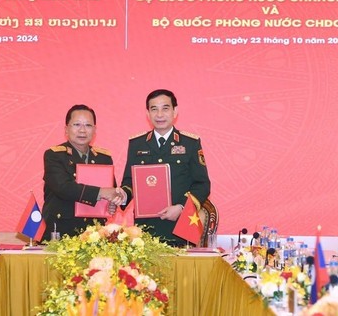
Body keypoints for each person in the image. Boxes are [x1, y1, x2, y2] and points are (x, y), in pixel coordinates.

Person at [119, 89, 211, 246]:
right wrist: (123, 195)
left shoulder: (190, 143)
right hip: (146, 230)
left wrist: (182, 207)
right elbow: (129, 181)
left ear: (175, 111)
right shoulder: (137, 144)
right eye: (154, 109)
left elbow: (202, 184)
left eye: (165, 108)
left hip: (180, 227)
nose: (159, 114)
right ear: (148, 114)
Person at [42, 105, 123, 237]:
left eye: (88, 125)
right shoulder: (54, 155)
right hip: (61, 231)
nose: (82, 130)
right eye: (77, 124)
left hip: (95, 234)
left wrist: (110, 206)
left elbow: (110, 192)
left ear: (95, 130)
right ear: (66, 129)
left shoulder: (104, 158)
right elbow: (64, 188)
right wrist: (101, 192)